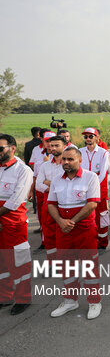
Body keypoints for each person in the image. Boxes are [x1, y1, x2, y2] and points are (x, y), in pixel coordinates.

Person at [47, 147, 102, 320]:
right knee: (66, 265)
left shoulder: (91, 177)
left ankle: (94, 302)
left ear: (80, 160)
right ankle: (70, 300)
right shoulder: (57, 180)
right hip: (63, 229)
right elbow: (51, 204)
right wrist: (61, 221)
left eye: (70, 159)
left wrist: (73, 221)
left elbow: (92, 204)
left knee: (88, 266)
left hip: (84, 229)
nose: (66, 162)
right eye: (64, 159)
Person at [0, 134, 34, 315]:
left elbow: (16, 200)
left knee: (19, 263)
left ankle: (23, 298)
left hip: (13, 224)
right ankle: (5, 296)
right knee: (1, 263)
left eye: (1, 148)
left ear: (13, 148)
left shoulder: (23, 170)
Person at [35, 135, 66, 262]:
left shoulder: (69, 164)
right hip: (48, 202)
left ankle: (65, 261)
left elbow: (70, 183)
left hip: (65, 202)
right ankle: (52, 262)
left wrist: (49, 182)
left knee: (64, 233)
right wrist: (55, 186)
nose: (53, 148)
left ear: (64, 146)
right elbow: (38, 184)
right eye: (51, 145)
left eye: (56, 145)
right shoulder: (45, 166)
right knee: (48, 234)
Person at [79, 127, 110, 251]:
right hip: (83, 187)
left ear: (97, 138)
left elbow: (103, 173)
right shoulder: (80, 151)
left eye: (90, 136)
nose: (88, 139)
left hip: (99, 187)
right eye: (86, 136)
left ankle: (102, 241)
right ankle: (90, 241)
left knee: (101, 215)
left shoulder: (103, 152)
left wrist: (93, 184)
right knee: (86, 215)